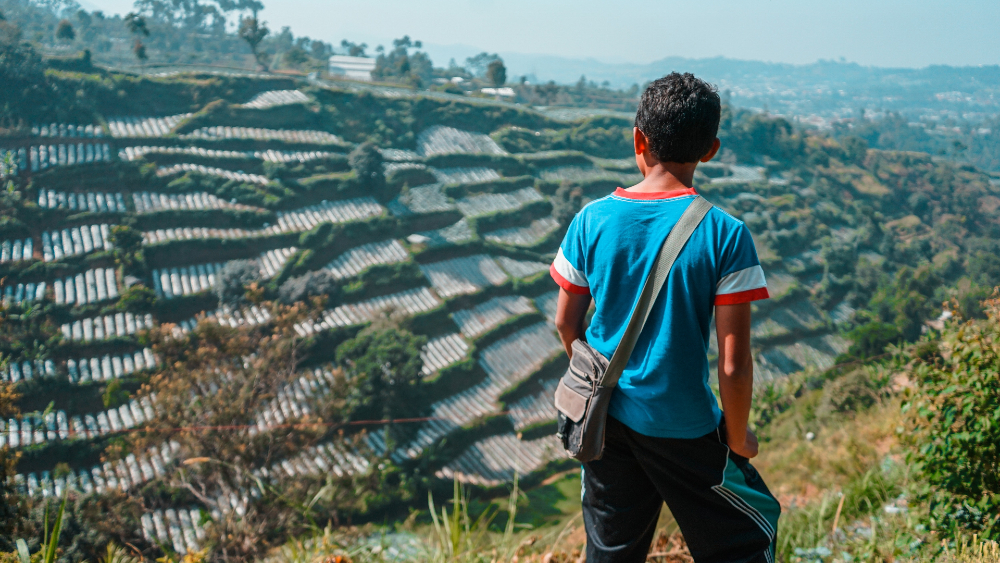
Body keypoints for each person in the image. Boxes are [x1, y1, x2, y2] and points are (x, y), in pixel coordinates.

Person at [549, 72, 781, 563]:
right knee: (748, 537)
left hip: (607, 421)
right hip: (685, 427)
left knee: (612, 550)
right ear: (711, 150)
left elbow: (567, 325)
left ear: (639, 139)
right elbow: (734, 365)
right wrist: (738, 438)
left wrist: (602, 381)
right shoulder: (726, 235)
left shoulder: (591, 219)